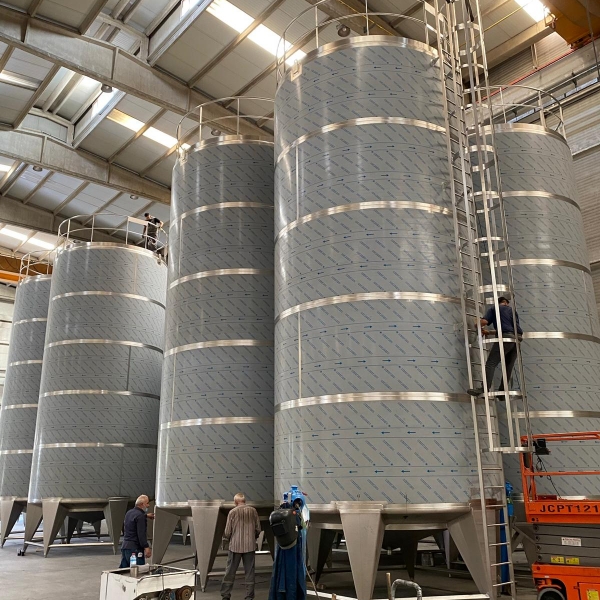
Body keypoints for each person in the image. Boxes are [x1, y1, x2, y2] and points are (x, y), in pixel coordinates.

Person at [468, 296, 523, 397]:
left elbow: (484, 322)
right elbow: (510, 329)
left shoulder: (495, 308)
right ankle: (502, 392)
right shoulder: (512, 311)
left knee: (491, 363)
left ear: (498, 303)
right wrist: (489, 332)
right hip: (517, 340)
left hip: (505, 338)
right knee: (508, 366)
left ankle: (484, 389)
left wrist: (476, 325)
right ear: (506, 303)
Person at [221, 493, 261, 600]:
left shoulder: (232, 512)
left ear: (235, 502)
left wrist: (227, 539)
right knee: (249, 572)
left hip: (235, 546)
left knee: (230, 571)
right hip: (250, 546)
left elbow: (227, 532)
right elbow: (258, 529)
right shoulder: (253, 511)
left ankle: (226, 595)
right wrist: (253, 537)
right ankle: (249, 596)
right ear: (244, 501)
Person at [119, 495, 153, 568]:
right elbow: (141, 534)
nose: (148, 505)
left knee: (124, 571)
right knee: (138, 570)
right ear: (142, 504)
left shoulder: (129, 513)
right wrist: (146, 547)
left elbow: (134, 519)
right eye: (147, 503)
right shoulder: (140, 516)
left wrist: (145, 516)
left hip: (125, 547)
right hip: (135, 549)